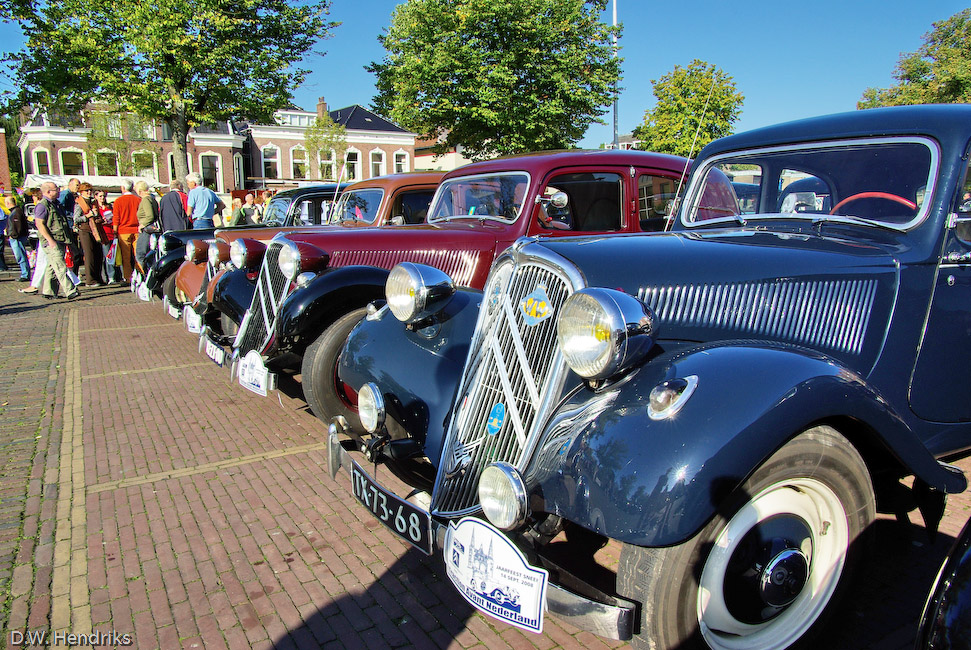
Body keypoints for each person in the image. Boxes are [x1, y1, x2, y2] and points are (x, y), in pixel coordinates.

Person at [34, 181, 79, 300]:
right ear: (48, 192)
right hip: (51, 240)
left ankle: (49, 291)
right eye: (56, 189)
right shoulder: (42, 205)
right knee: (60, 266)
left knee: (52, 265)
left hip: (60, 238)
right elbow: (40, 224)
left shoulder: (56, 204)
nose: (59, 191)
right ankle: (70, 290)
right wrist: (50, 240)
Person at [72, 182, 105, 286]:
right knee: (89, 255)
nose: (89, 192)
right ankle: (90, 280)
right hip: (85, 230)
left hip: (95, 230)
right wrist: (88, 216)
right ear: (81, 192)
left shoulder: (93, 202)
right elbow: (76, 219)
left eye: (90, 190)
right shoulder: (79, 203)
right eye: (87, 190)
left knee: (98, 254)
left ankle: (98, 277)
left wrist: (99, 218)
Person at [113, 180, 141, 282]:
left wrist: (115, 231)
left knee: (126, 257)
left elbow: (116, 218)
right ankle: (140, 274)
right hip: (137, 230)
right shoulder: (138, 200)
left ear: (123, 188)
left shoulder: (118, 201)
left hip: (123, 231)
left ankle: (128, 277)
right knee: (138, 255)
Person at [94, 190, 119, 284]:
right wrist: (101, 221)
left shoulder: (109, 207)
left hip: (112, 232)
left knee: (114, 255)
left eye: (103, 196)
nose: (102, 198)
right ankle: (110, 276)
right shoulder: (96, 208)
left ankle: (116, 275)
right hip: (103, 233)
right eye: (100, 196)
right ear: (96, 197)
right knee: (107, 256)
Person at [134, 180, 159, 271]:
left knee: (141, 254)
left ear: (140, 191)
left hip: (146, 230)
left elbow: (150, 216)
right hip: (151, 229)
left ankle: (146, 274)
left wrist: (142, 225)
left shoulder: (145, 200)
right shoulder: (152, 199)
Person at [5, 196, 30, 281]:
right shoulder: (16, 211)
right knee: (20, 255)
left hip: (17, 238)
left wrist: (13, 235)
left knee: (20, 255)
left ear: (8, 203)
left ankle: (25, 274)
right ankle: (25, 273)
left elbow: (17, 226)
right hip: (16, 237)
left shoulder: (16, 212)